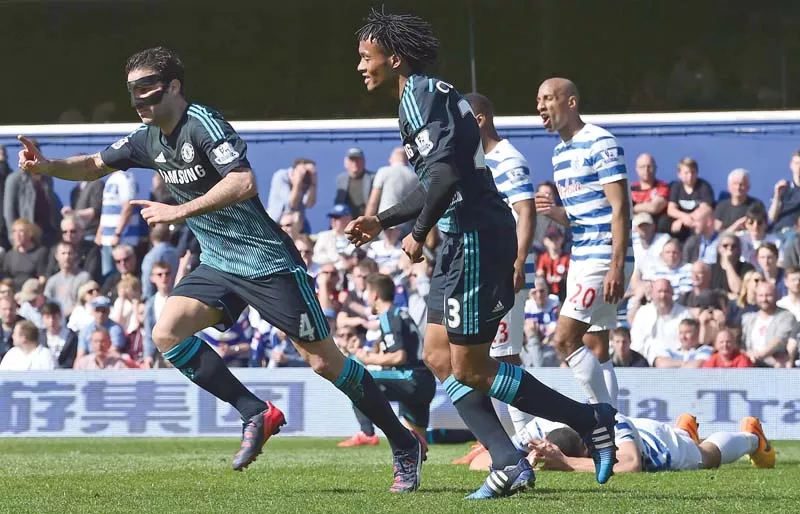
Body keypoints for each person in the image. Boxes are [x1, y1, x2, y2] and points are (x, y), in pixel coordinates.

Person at [17, 46, 423, 492]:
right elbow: (94, 165)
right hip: (218, 263)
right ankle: (255, 412)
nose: (139, 102)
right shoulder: (145, 138)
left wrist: (177, 211)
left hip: (267, 262)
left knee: (325, 362)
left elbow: (243, 181)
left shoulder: (202, 123)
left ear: (174, 87)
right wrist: (47, 166)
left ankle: (404, 442)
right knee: (167, 333)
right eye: (132, 92)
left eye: (147, 91)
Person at [348, 11, 615, 497]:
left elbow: (445, 178)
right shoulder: (423, 95)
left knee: (471, 367)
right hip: (461, 238)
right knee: (437, 356)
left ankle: (586, 420)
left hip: (474, 237)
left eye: (367, 57)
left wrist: (417, 233)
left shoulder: (420, 98)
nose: (361, 66)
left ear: (395, 58)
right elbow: (436, 180)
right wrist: (382, 220)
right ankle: (511, 461)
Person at [534, 77, 630, 440]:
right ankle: (615, 431)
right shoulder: (559, 154)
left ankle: (601, 424)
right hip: (582, 254)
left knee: (564, 338)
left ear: (571, 102)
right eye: (538, 101)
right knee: (597, 346)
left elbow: (620, 208)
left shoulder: (601, 141)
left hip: (603, 256)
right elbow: (582, 216)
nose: (541, 107)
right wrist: (555, 212)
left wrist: (617, 266)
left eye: (548, 98)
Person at [465, 92, 537, 446]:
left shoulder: (509, 159)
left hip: (505, 270)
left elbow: (526, 211)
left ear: (479, 120)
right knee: (482, 356)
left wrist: (517, 262)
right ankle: (496, 440)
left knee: (504, 354)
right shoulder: (477, 160)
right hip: (485, 270)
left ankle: (527, 438)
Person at [339, 273, 435, 446]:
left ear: (375, 295)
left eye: (367, 293)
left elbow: (399, 356)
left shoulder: (388, 316)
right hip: (424, 380)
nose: (366, 298)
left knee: (356, 380)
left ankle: (367, 433)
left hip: (411, 378)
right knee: (417, 443)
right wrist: (365, 352)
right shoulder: (401, 313)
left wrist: (368, 358)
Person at [524, 413, 775, 473]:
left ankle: (753, 437)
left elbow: (631, 464)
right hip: (639, 432)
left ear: (586, 448)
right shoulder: (539, 427)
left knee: (707, 455)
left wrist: (566, 462)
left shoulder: (608, 425)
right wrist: (526, 460)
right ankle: (684, 429)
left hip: (659, 446)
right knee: (684, 439)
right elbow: (499, 452)